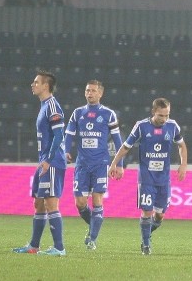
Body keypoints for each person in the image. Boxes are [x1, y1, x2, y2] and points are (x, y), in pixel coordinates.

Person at [109, 98, 187, 255]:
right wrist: (114, 164)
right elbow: (125, 147)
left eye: (167, 115)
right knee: (147, 211)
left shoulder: (172, 126)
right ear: (153, 112)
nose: (164, 119)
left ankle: (147, 234)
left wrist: (183, 164)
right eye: (160, 115)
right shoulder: (141, 126)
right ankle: (146, 245)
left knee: (160, 215)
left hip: (163, 179)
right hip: (146, 178)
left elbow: (182, 145)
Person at [63, 80, 124, 250]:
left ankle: (92, 239)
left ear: (100, 93)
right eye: (87, 90)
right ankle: (94, 225)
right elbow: (68, 135)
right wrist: (66, 150)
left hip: (100, 164)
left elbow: (119, 141)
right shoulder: (77, 113)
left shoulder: (108, 114)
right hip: (82, 164)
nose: (90, 93)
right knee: (80, 203)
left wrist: (119, 164)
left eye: (93, 90)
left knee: (98, 201)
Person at [13, 70, 69, 256]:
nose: (33, 84)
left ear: (46, 86)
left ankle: (59, 248)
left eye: (36, 82)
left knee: (51, 203)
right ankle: (33, 246)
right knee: (38, 202)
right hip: (44, 161)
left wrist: (49, 159)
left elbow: (59, 134)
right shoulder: (44, 105)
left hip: (51, 162)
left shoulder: (52, 106)